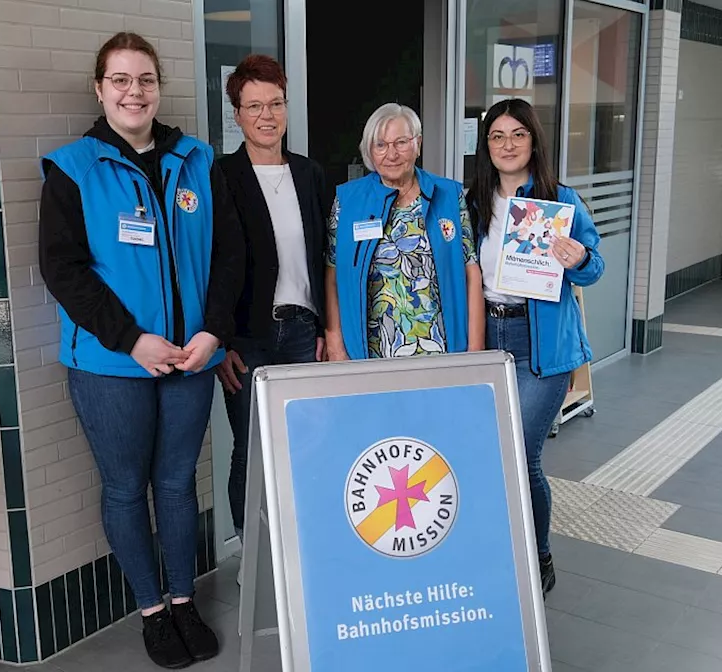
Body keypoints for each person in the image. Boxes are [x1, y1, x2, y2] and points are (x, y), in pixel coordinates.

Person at [37, 32, 243, 669]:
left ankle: (184, 601)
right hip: (111, 366)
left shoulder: (198, 161)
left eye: (145, 79)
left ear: (158, 88)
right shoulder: (74, 168)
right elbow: (63, 269)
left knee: (178, 486)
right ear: (100, 90)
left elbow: (230, 254)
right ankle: (152, 611)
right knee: (127, 489)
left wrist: (213, 333)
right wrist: (133, 340)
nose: (134, 91)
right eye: (121, 80)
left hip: (191, 358)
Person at [467, 98, 604, 596]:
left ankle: (538, 553)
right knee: (488, 455)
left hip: (538, 344)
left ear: (533, 141)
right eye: (497, 136)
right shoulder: (471, 202)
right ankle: (497, 547)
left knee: (522, 457)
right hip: (487, 340)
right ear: (486, 146)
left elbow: (594, 267)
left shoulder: (559, 200)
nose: (507, 145)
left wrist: (579, 257)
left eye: (517, 134)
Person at [213, 55, 330, 569]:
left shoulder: (309, 173)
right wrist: (218, 342)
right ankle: (255, 561)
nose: (267, 115)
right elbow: (206, 266)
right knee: (252, 451)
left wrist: (329, 326)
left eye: (276, 103)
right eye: (254, 106)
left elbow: (325, 256)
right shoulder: (219, 176)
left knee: (306, 448)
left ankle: (303, 556)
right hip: (248, 341)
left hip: (304, 333)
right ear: (236, 114)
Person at [324, 103, 485, 360]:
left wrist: (475, 351)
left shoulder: (449, 196)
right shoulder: (347, 200)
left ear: (417, 144)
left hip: (441, 349)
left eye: (401, 142)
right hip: (370, 353)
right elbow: (333, 275)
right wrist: (334, 343)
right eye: (381, 145)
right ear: (369, 150)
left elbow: (471, 272)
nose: (392, 154)